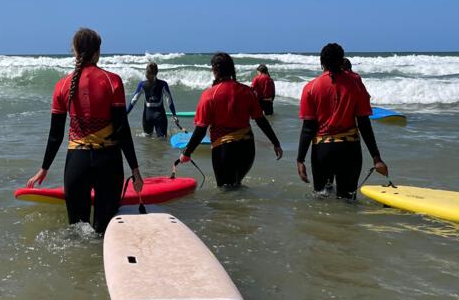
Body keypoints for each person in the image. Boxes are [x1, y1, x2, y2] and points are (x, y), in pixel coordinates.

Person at [25, 28, 144, 234]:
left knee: (77, 231)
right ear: (97, 52)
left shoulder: (62, 85)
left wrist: (44, 169)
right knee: (105, 231)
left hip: (76, 163)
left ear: (74, 51)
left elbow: (55, 135)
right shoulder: (112, 81)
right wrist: (135, 169)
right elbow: (122, 129)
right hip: (108, 161)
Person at [173, 53, 282, 187]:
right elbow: (261, 120)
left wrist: (187, 153)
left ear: (215, 70)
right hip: (248, 149)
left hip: (225, 150)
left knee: (226, 191)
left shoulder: (209, 95)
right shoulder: (247, 91)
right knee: (236, 186)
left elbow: (201, 130)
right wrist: (276, 143)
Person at [296, 43, 388, 199]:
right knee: (348, 199)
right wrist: (376, 158)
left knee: (321, 197)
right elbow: (364, 123)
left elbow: (308, 128)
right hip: (349, 149)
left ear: (322, 62)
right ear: (341, 61)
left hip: (323, 150)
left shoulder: (311, 87)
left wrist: (300, 160)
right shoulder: (356, 84)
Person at [126, 62, 177, 137]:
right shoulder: (163, 84)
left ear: (147, 73)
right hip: (160, 116)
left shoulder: (142, 85)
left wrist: (126, 113)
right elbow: (169, 101)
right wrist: (174, 115)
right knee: (162, 139)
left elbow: (134, 100)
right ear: (156, 72)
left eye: (146, 72)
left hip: (147, 116)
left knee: (147, 138)